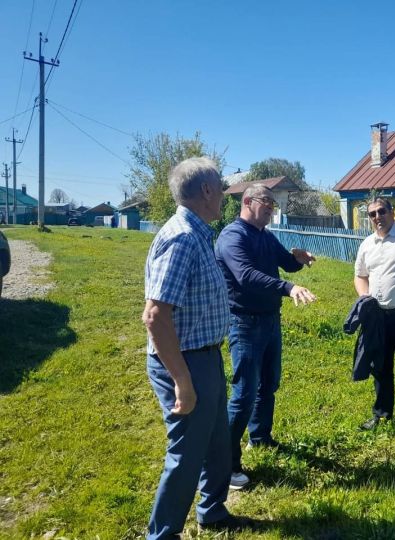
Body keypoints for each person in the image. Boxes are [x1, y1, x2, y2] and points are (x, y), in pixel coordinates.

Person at [142, 157, 248, 538]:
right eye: (220, 187)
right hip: (185, 361)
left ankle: (213, 511)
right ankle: (162, 534)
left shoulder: (199, 233)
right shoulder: (182, 238)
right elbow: (155, 316)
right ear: (205, 191)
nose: (223, 194)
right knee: (186, 454)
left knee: (217, 441)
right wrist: (182, 381)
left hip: (206, 355)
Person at [215, 184, 316, 490]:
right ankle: (226, 464)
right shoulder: (233, 236)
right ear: (247, 202)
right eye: (267, 202)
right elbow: (245, 275)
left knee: (268, 384)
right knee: (244, 393)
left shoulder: (264, 236)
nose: (272, 207)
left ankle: (259, 437)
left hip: (270, 321)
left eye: (274, 203)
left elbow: (285, 263)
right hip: (244, 323)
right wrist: (288, 288)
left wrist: (298, 258)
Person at [354, 196, 395, 449]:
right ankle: (382, 415)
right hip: (378, 318)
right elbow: (360, 276)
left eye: (381, 211)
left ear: (392, 212)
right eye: (371, 214)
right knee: (380, 369)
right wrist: (365, 297)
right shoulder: (368, 244)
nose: (376, 217)